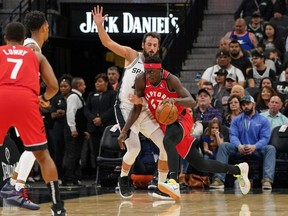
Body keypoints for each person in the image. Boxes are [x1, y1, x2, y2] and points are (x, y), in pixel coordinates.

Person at [119, 55, 251, 200]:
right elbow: (136, 108)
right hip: (166, 124)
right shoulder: (141, 80)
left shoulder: (171, 79)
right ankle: (238, 170)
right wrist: (125, 130)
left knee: (167, 141)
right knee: (201, 164)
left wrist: (174, 99)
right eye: (146, 72)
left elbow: (192, 102)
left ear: (160, 70)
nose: (148, 75)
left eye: (151, 72)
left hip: (182, 118)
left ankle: (174, 182)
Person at [92, 5, 169, 199]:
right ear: (143, 45)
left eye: (154, 45)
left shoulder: (158, 68)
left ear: (158, 48)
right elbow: (107, 42)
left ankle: (161, 185)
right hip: (125, 109)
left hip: (143, 110)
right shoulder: (131, 56)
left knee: (166, 146)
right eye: (148, 44)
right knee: (135, 148)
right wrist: (99, 26)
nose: (151, 47)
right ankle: (124, 177)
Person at [0, 21, 66, 215]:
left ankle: (14, 185)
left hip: (2, 96)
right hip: (27, 99)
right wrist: (44, 99)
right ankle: (58, 207)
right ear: (23, 39)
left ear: (5, 38)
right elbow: (54, 85)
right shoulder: (35, 54)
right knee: (43, 156)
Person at [210, 95, 276, 190]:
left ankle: (267, 180)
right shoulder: (236, 120)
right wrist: (239, 145)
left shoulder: (263, 120)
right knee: (224, 146)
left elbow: (265, 138)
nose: (245, 106)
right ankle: (218, 179)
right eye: (243, 104)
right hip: (239, 149)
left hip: (256, 150)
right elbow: (233, 136)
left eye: (248, 104)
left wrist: (255, 146)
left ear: (254, 104)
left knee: (270, 148)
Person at [84, 73, 117, 169]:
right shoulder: (91, 94)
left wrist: (101, 119)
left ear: (106, 83)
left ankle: (110, 175)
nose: (97, 84)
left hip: (107, 127)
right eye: (96, 82)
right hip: (94, 128)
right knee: (95, 151)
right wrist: (93, 119)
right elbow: (86, 109)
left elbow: (113, 109)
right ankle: (98, 176)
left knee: (108, 152)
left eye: (100, 81)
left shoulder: (112, 94)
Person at [62, 77, 87, 186]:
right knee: (72, 155)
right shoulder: (73, 97)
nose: (85, 86)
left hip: (78, 131)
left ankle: (74, 177)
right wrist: (73, 129)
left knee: (76, 155)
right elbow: (70, 113)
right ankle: (68, 178)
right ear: (79, 86)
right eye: (83, 84)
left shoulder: (78, 97)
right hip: (73, 131)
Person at [50, 74, 73, 181]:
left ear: (71, 87)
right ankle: (58, 176)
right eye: (61, 86)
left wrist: (66, 112)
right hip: (58, 127)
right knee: (58, 152)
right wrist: (58, 113)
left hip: (70, 127)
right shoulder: (56, 99)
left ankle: (70, 176)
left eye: (65, 86)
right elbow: (52, 115)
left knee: (71, 153)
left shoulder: (74, 97)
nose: (63, 88)